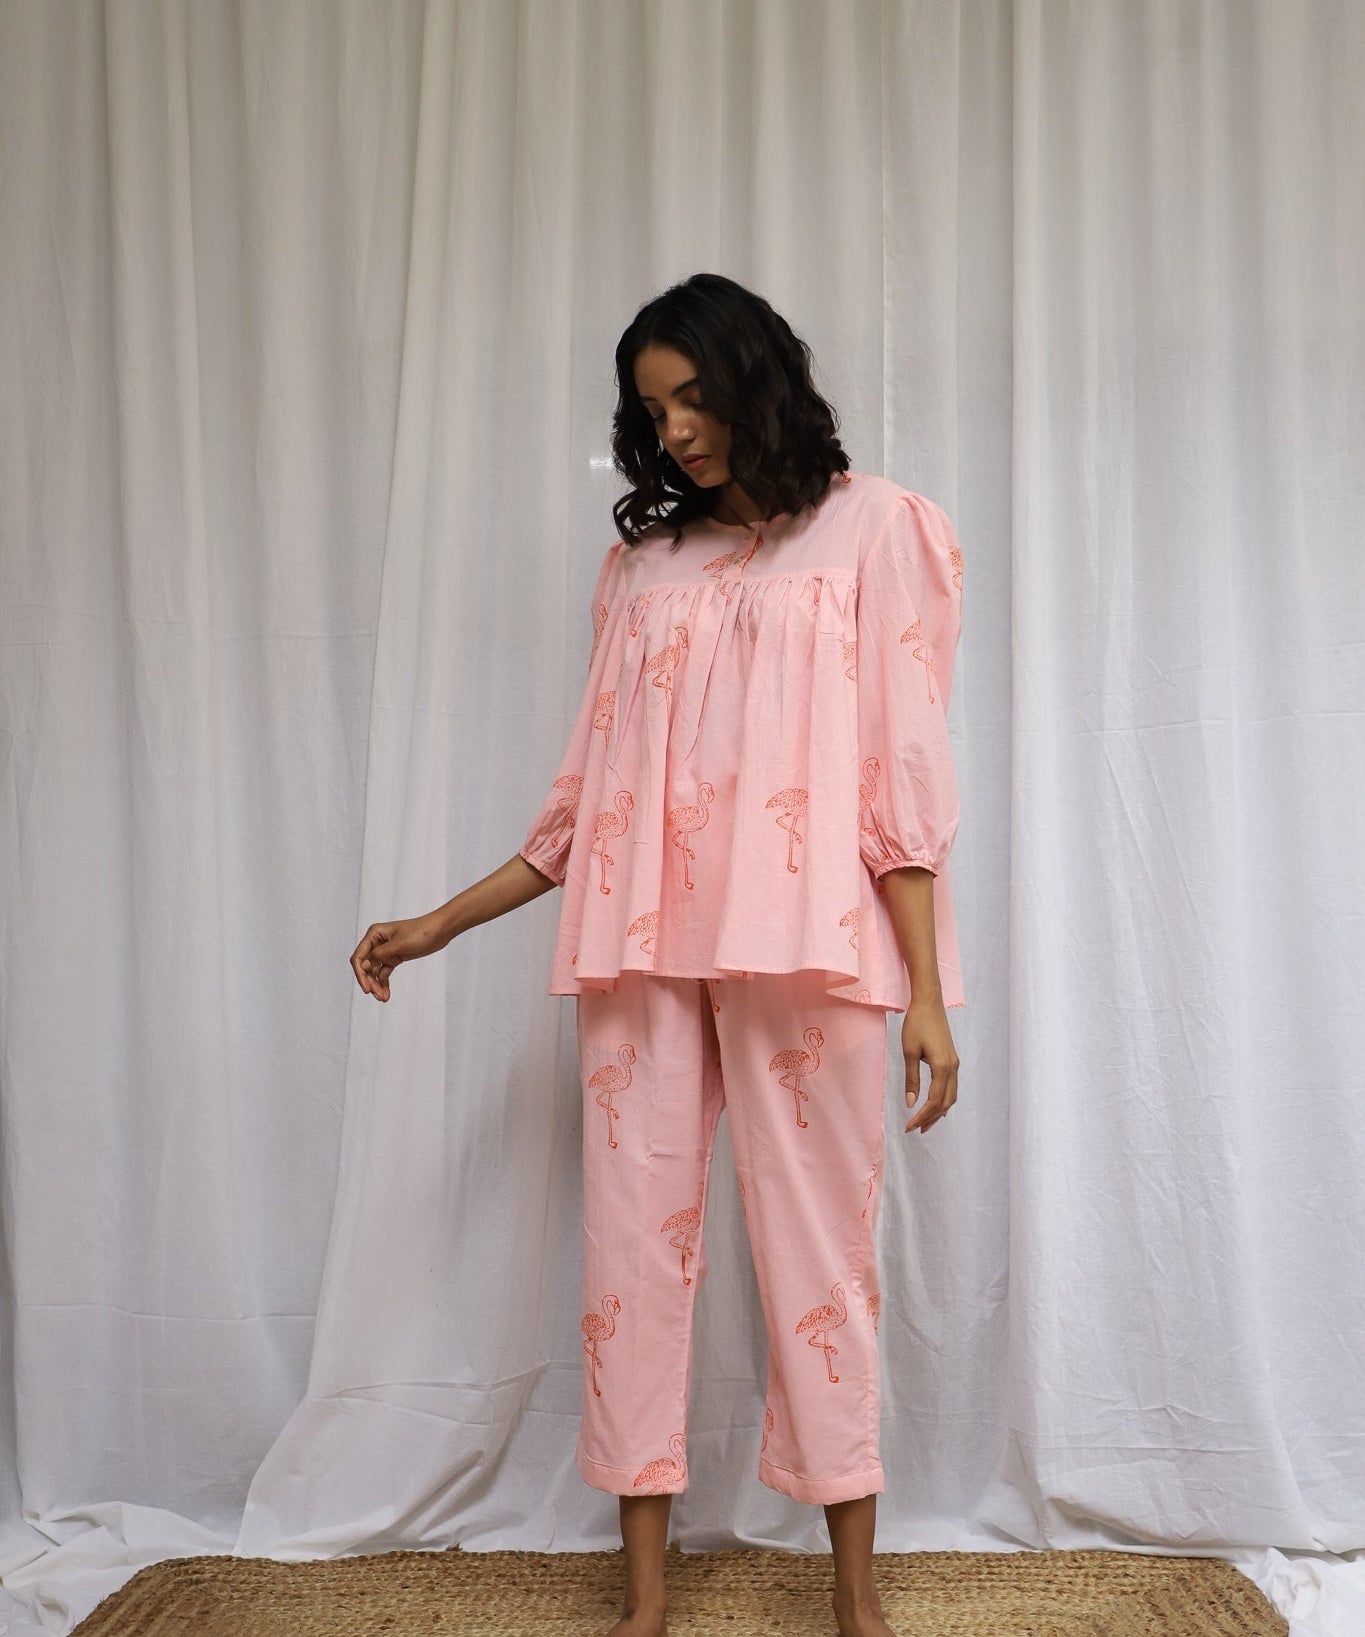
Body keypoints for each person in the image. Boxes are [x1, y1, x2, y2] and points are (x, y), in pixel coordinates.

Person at [350, 272, 964, 1637]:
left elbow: (900, 778)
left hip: (811, 946)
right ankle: (642, 1602)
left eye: (694, 397)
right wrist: (441, 920)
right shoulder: (640, 569)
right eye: (652, 409)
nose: (675, 430)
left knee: (822, 1258)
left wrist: (928, 991)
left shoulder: (880, 529)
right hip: (639, 950)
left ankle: (854, 1594)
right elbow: (588, 801)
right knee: (630, 1253)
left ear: (756, 380)